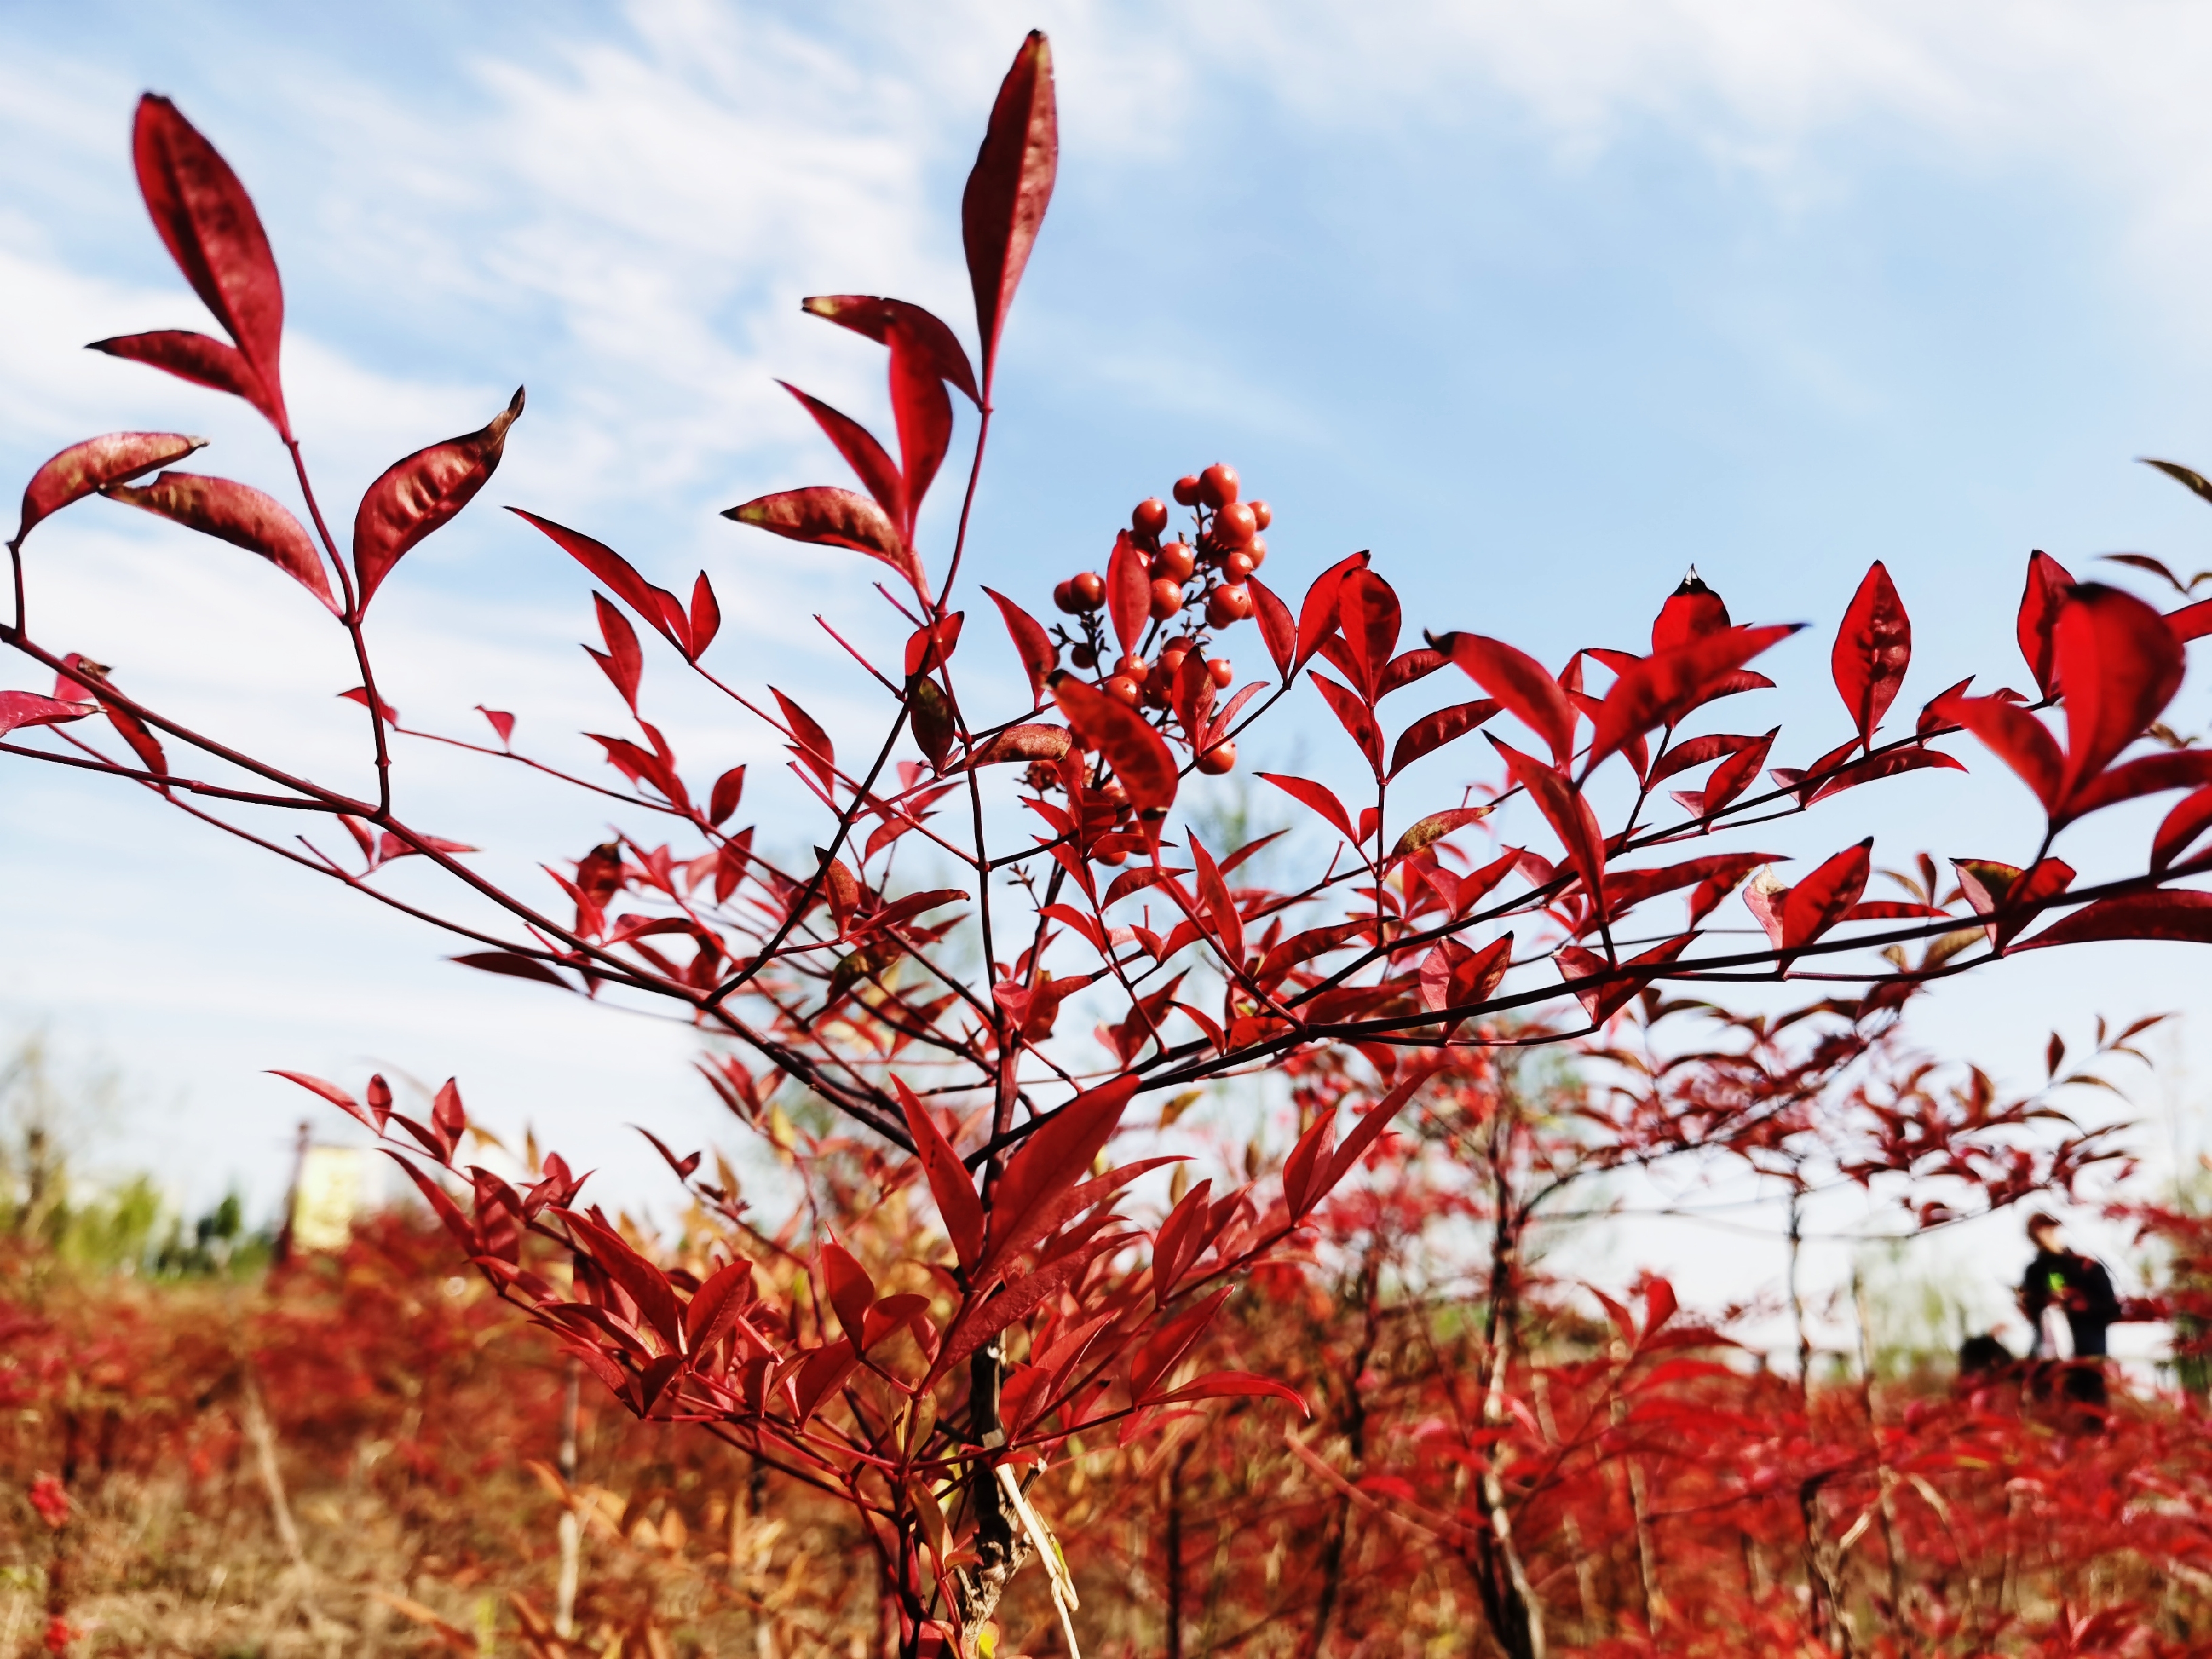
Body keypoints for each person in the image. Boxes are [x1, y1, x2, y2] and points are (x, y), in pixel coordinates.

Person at [2019, 1213, 2122, 1412]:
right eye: (2037, 1232)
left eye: (2048, 1229)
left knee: (2091, 1411)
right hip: (2049, 1362)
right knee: (2049, 1412)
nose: (2043, 1236)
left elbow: (2112, 1309)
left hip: (2087, 1363)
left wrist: (2080, 1306)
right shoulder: (2034, 1272)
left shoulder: (2088, 1268)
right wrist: (2037, 1303)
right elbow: (2032, 1312)